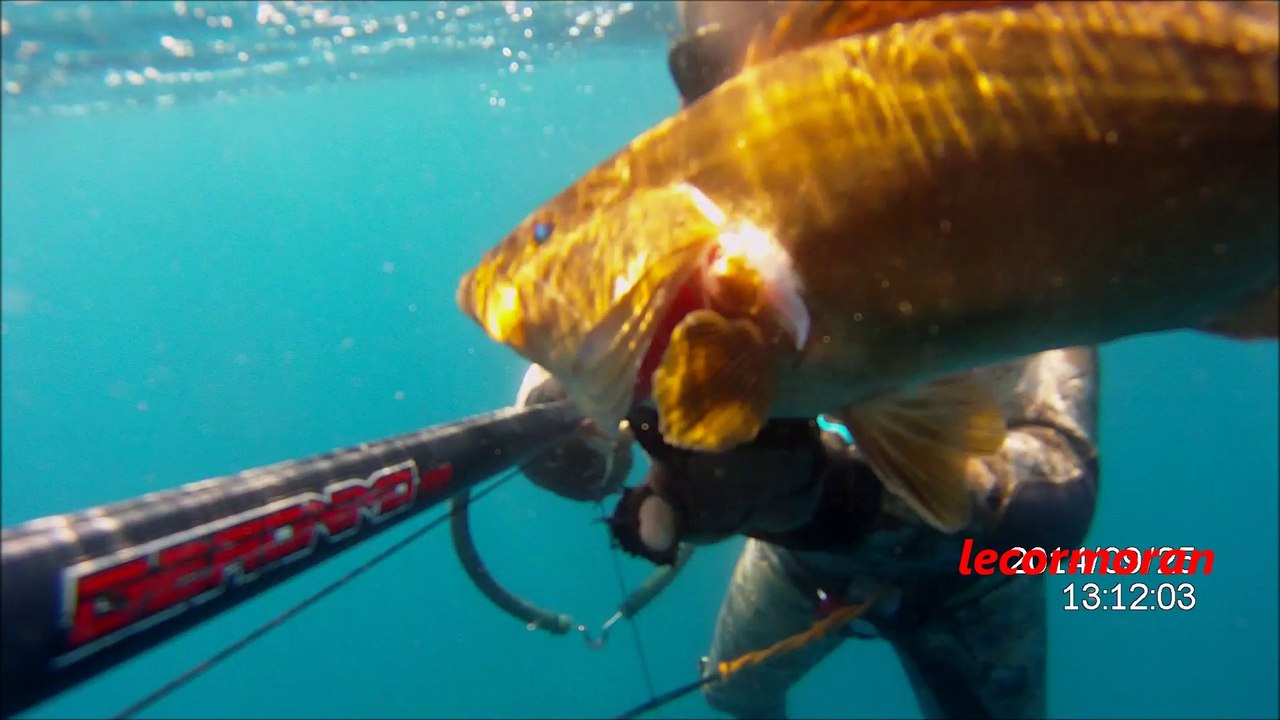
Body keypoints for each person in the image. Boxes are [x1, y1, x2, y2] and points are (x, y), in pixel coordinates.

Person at [513, 3, 1102, 718]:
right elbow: (601, 350)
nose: (750, 103)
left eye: (794, 63)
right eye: (711, 75)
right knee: (733, 691)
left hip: (971, 582)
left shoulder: (996, 209)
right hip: (800, 562)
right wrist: (575, 422)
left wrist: (833, 498)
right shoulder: (682, 215)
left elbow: (1056, 499)